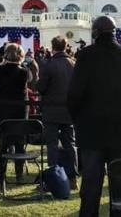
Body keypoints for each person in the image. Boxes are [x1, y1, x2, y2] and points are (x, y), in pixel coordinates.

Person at [67, 16, 121, 217]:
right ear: (115, 32)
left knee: (91, 186)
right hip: (120, 129)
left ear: (95, 33)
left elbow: (74, 95)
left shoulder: (85, 56)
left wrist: (79, 119)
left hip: (91, 130)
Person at [37, 36, 78, 190]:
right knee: (70, 145)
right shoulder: (74, 64)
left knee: (52, 145)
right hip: (69, 111)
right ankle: (73, 178)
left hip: (52, 111)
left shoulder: (48, 64)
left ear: (52, 47)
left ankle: (54, 179)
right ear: (66, 46)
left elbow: (41, 88)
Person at [0, 43, 29, 185]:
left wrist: (4, 62)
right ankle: (19, 175)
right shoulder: (23, 72)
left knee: (3, 145)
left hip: (3, 112)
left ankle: (1, 175)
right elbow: (30, 79)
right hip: (19, 112)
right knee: (20, 145)